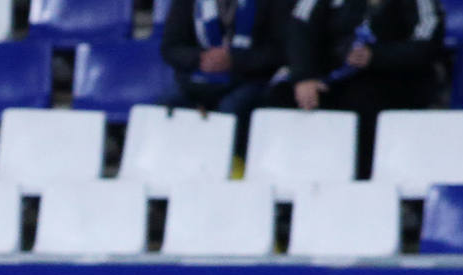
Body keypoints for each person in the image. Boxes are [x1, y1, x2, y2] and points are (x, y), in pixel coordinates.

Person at [270, 0, 445, 179]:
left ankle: (363, 184)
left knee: (365, 100)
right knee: (279, 95)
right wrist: (304, 77)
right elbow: (301, 26)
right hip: (332, 77)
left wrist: (377, 56)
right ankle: (286, 183)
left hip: (393, 79)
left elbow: (428, 39)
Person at [159, 0, 288, 161]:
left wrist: (234, 60)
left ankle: (235, 164)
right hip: (200, 79)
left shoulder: (271, 4)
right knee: (168, 103)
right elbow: (170, 48)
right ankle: (175, 166)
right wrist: (201, 58)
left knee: (232, 107)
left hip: (251, 79)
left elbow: (280, 51)